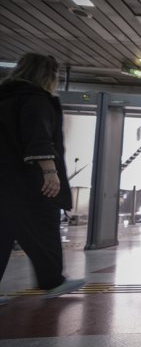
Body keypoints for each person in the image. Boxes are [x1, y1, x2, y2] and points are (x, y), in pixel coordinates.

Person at [0, 53, 86, 306]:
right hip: (28, 183)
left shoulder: (5, 97)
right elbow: (38, 136)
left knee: (2, 233)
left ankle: (52, 280)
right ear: (48, 75)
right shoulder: (36, 100)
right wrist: (50, 171)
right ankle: (52, 281)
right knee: (45, 228)